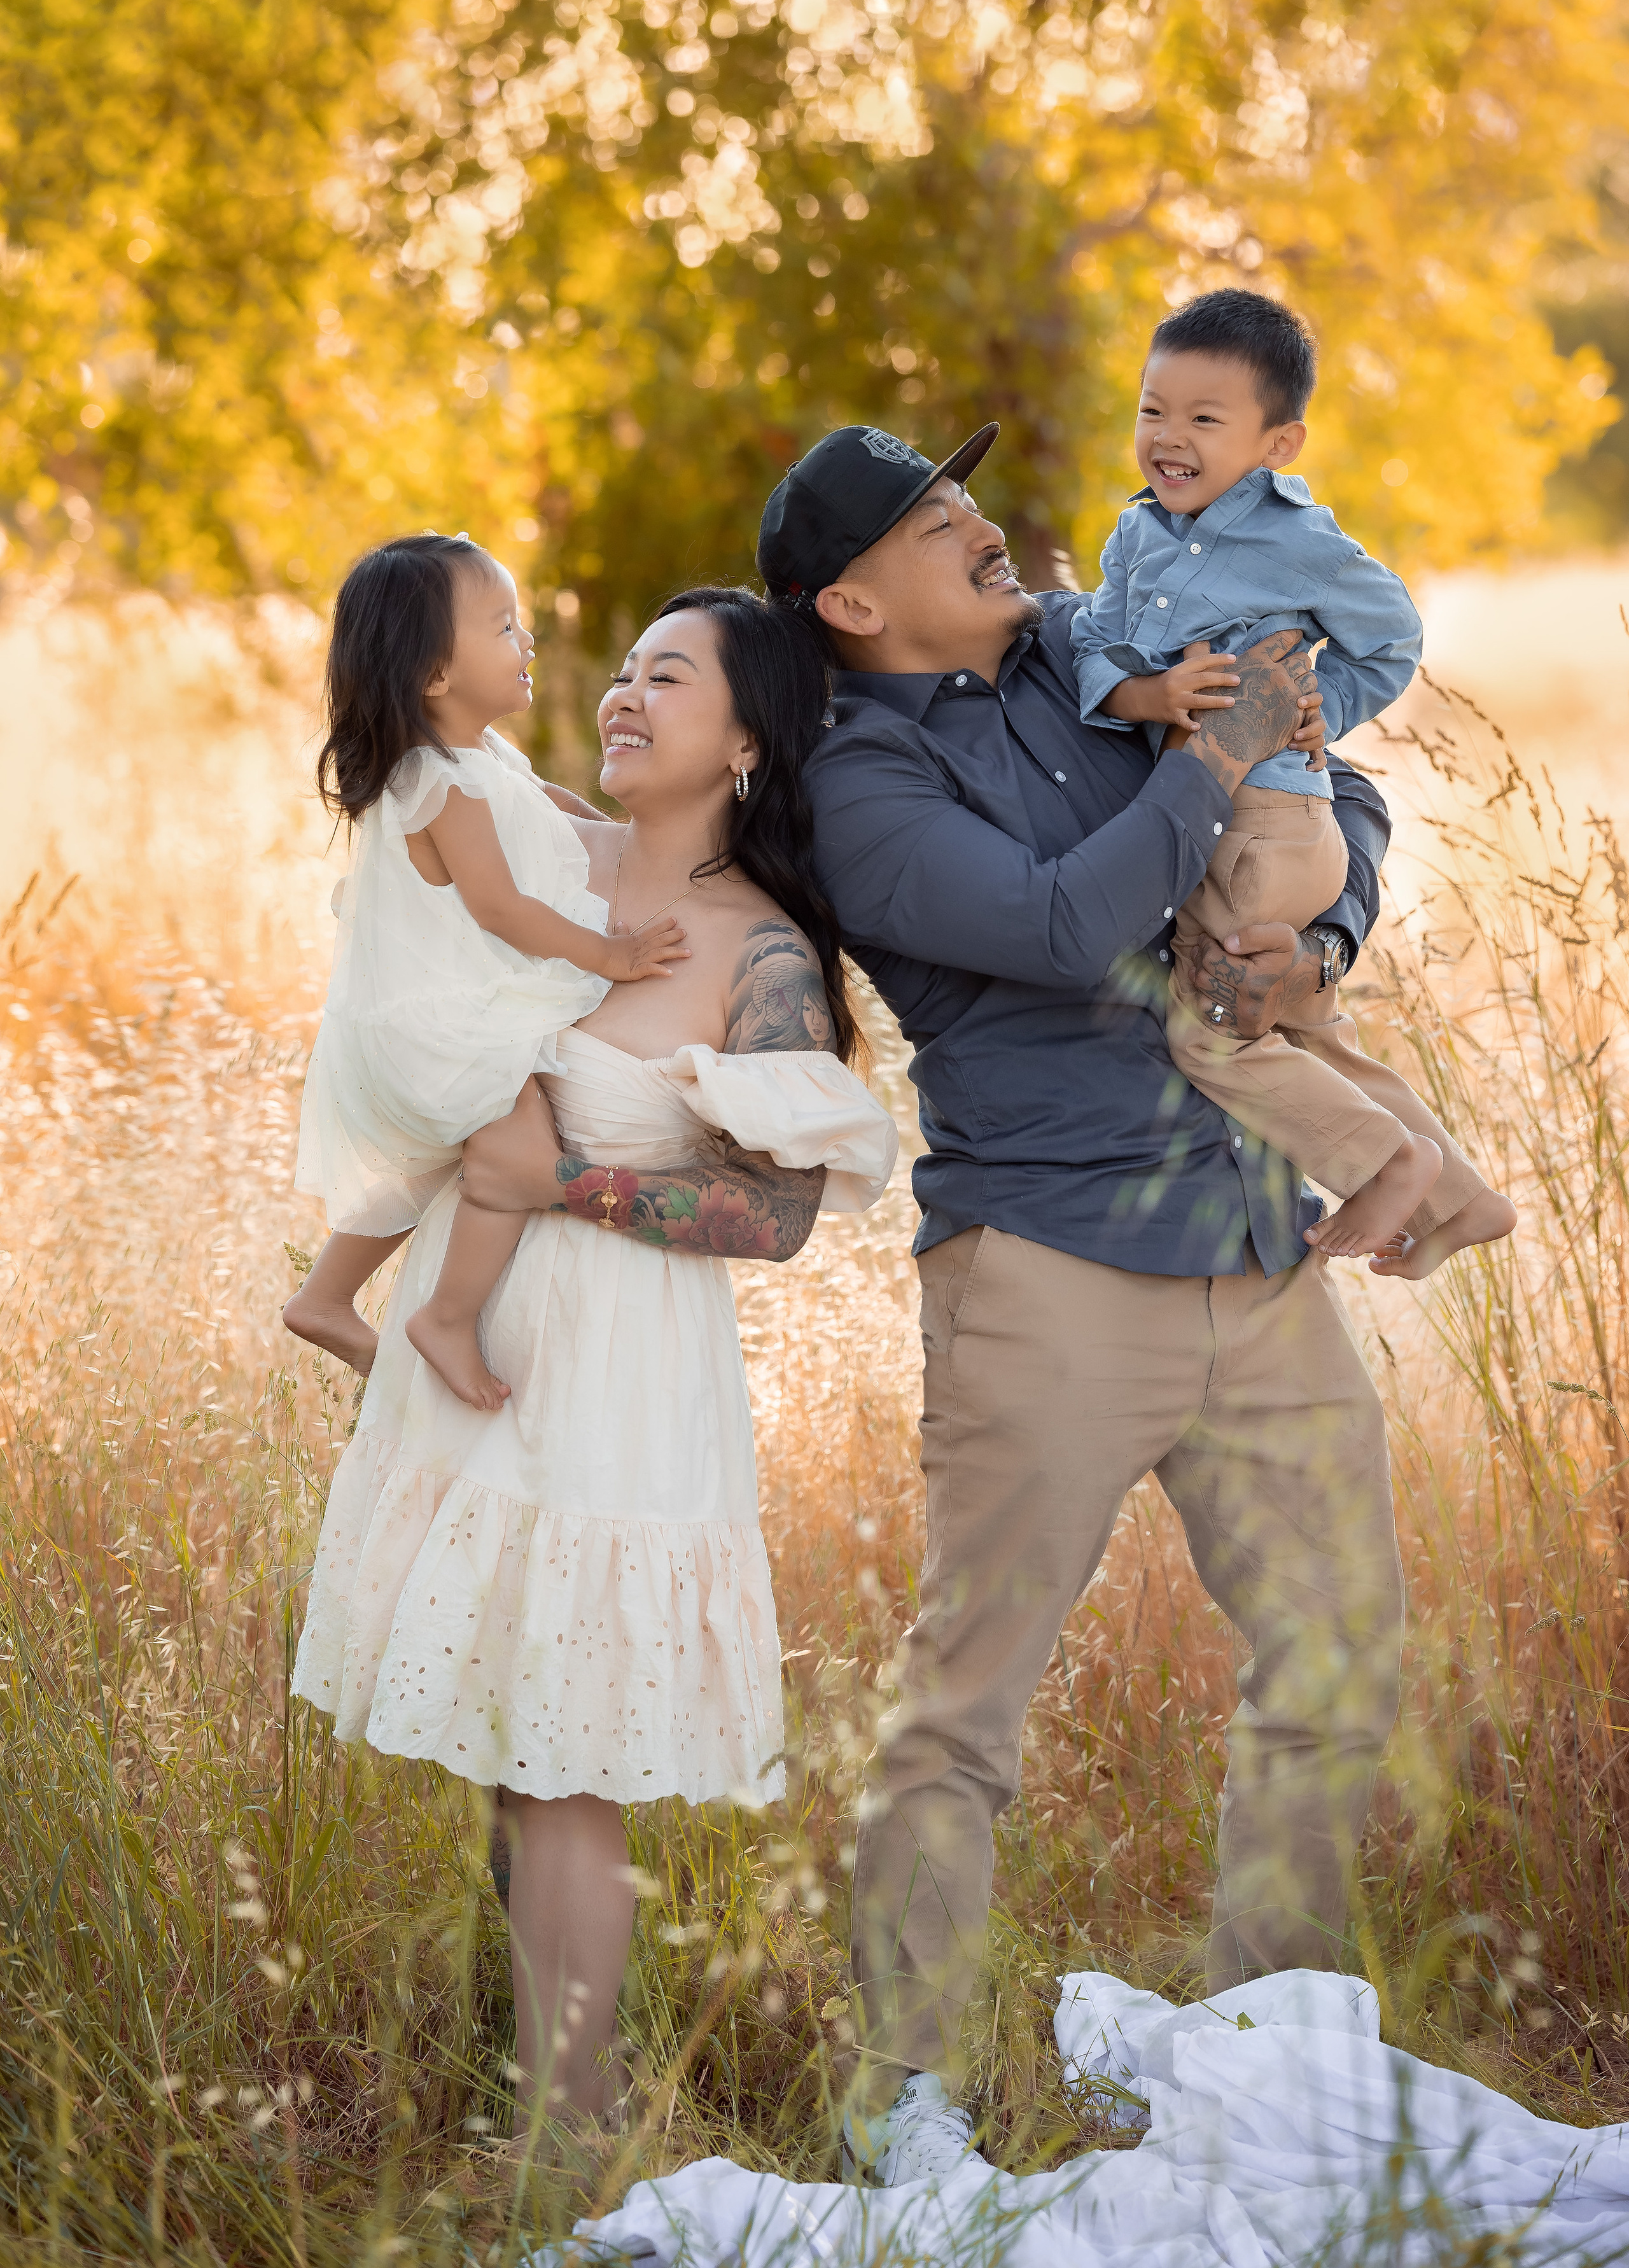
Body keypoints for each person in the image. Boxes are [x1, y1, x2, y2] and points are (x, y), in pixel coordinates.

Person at [753, 419, 1425, 2183]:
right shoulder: (861, 786)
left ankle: (1266, 2059)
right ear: (851, 599)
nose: (975, 522)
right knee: (968, 1704)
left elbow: (1329, 767)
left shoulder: (1090, 636)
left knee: (1340, 1651)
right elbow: (1061, 923)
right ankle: (903, 2087)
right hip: (1046, 1273)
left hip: (1255, 1246)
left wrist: (1324, 928)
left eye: (962, 495)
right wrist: (1206, 771)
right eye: (926, 520)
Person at [290, 586, 898, 2136]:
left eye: (668, 678)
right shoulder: (544, 849)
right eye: (619, 669)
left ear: (749, 736)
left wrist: (559, 1184)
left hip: (616, 1371)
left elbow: (774, 1218)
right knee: (504, 1732)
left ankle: (572, 2139)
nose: (622, 695)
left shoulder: (762, 952)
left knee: (565, 1759)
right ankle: (548, 2088)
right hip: (479, 1329)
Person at [1070, 289, 1516, 1276]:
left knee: (1212, 1035)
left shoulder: (1300, 540)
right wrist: (1148, 695)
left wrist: (1328, 710)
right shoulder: (1134, 538)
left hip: (1263, 824)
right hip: (1254, 826)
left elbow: (1393, 636)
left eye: (1204, 419)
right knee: (1308, 1031)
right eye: (1152, 409)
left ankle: (1387, 1164)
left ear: (1278, 443)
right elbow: (1095, 640)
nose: (1167, 438)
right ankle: (1462, 1200)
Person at [283, 531, 688, 1411]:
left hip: (426, 1015)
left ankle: (323, 1298)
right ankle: (447, 1319)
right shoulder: (439, 782)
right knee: (517, 1155)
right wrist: (612, 955)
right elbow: (501, 908)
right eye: (504, 627)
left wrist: (635, 840)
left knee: (431, 1162)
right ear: (434, 675)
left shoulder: (481, 761)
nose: (528, 642)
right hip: (442, 1022)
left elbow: (555, 810)